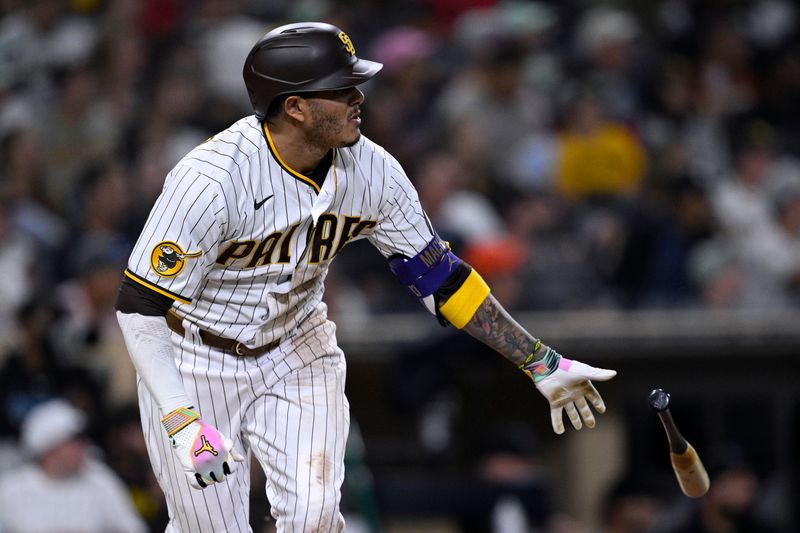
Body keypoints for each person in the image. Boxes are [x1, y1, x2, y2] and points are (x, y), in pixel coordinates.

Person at [114, 21, 617, 532]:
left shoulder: (373, 170)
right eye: (341, 88)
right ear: (295, 106)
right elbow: (138, 306)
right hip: (195, 360)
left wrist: (539, 360)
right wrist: (180, 420)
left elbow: (444, 281)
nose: (359, 96)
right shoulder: (211, 180)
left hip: (297, 351)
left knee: (316, 521)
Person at [0, 398, 147, 533]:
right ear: (50, 450)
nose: (84, 446)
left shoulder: (100, 481)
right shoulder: (11, 489)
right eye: (74, 441)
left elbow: (133, 528)